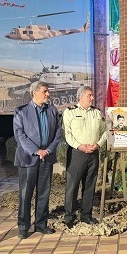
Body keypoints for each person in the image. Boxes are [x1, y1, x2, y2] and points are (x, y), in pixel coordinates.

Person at [13, 81, 61, 239]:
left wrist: (48, 150)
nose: (48, 94)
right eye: (45, 91)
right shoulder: (21, 111)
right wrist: (36, 151)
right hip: (28, 158)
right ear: (35, 93)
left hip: (47, 157)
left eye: (48, 91)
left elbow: (57, 133)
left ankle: (41, 224)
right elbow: (19, 135)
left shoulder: (52, 110)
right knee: (25, 194)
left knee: (44, 193)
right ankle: (23, 226)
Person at [62, 86, 107, 227]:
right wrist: (79, 146)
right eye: (89, 95)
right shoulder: (70, 112)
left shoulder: (97, 113)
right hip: (77, 153)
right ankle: (69, 217)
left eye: (92, 95)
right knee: (73, 186)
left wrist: (98, 144)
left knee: (90, 185)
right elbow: (67, 134)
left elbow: (105, 132)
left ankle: (86, 215)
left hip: (93, 153)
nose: (92, 98)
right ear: (81, 97)